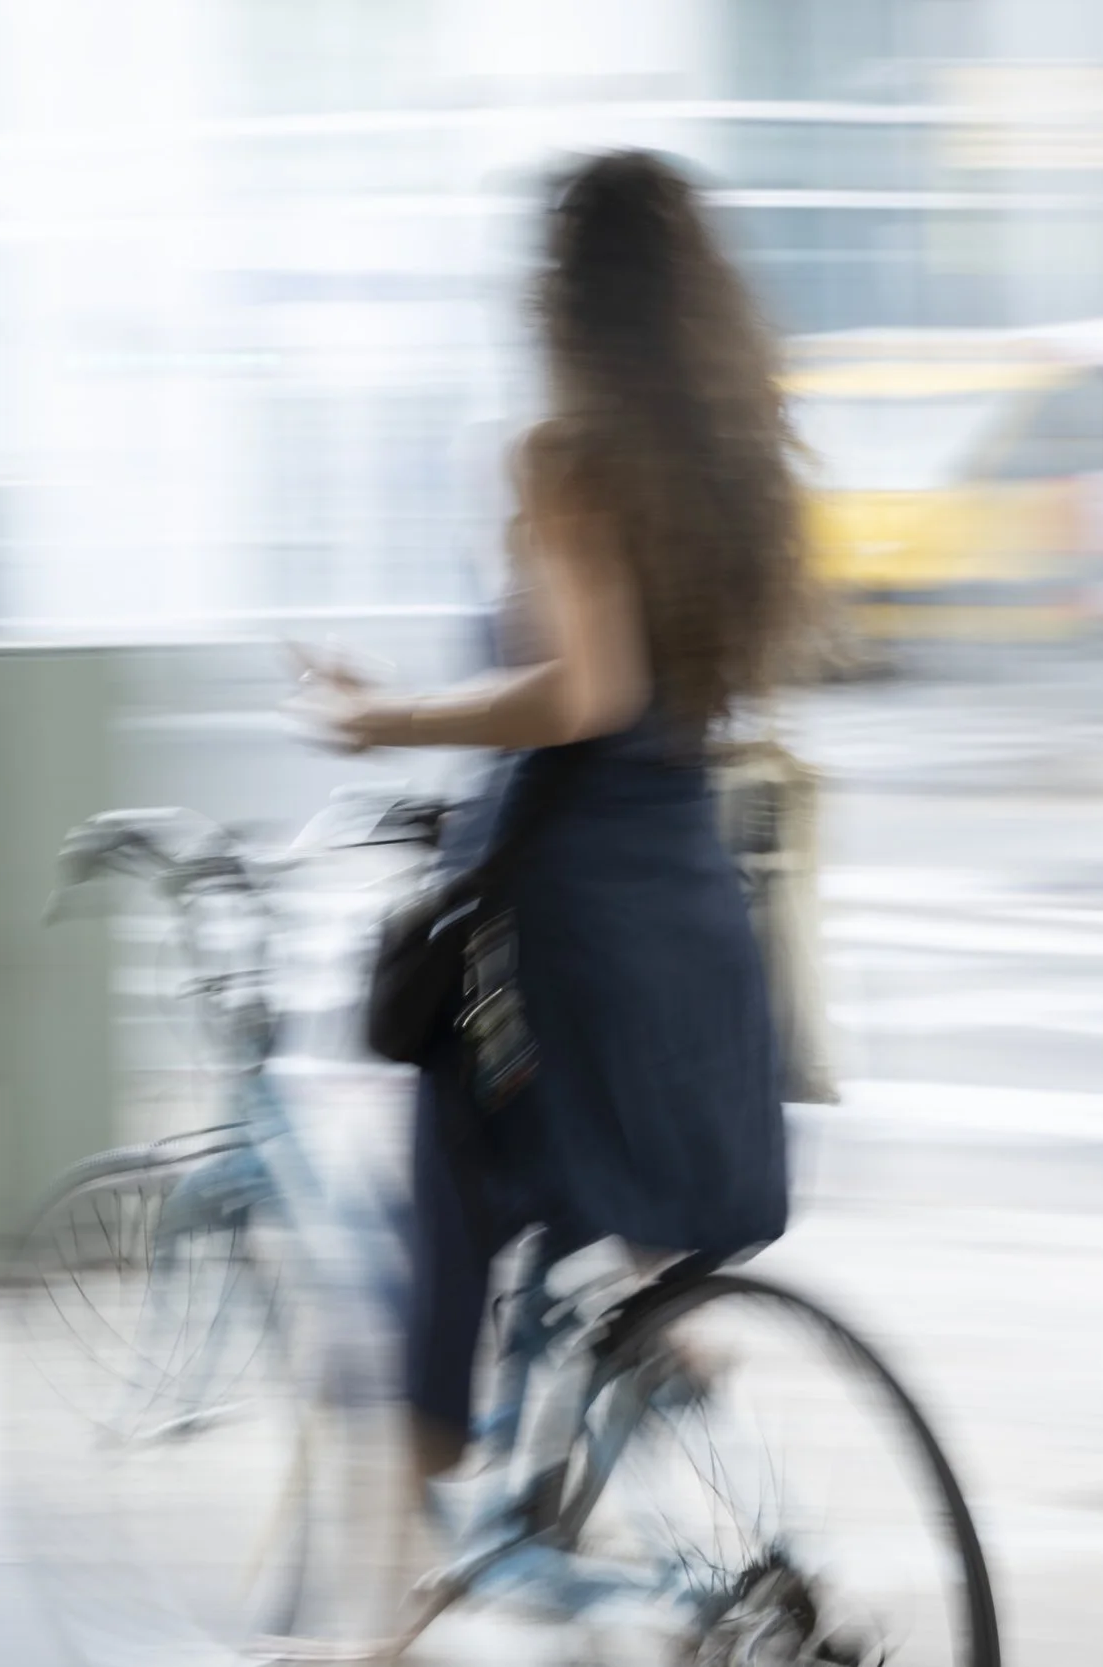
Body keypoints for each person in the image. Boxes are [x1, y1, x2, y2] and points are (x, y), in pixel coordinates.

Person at [288, 149, 804, 1483]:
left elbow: (585, 690)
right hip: (685, 906)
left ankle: (412, 1557)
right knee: (612, 1214)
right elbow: (659, 705)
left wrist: (383, 716)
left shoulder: (564, 457)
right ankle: (663, 1425)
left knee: (447, 1197)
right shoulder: (729, 468)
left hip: (565, 926)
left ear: (569, 292)